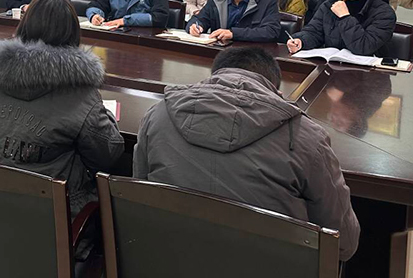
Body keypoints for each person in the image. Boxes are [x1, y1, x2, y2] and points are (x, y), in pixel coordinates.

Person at [133, 47, 359, 261]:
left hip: (168, 261)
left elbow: (137, 197)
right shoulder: (308, 138)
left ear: (215, 77)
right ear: (276, 92)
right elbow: (344, 244)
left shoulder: (157, 115)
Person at [0, 0, 124, 216]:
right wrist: (104, 114)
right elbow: (108, 154)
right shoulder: (80, 93)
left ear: (24, 26)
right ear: (73, 32)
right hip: (50, 216)